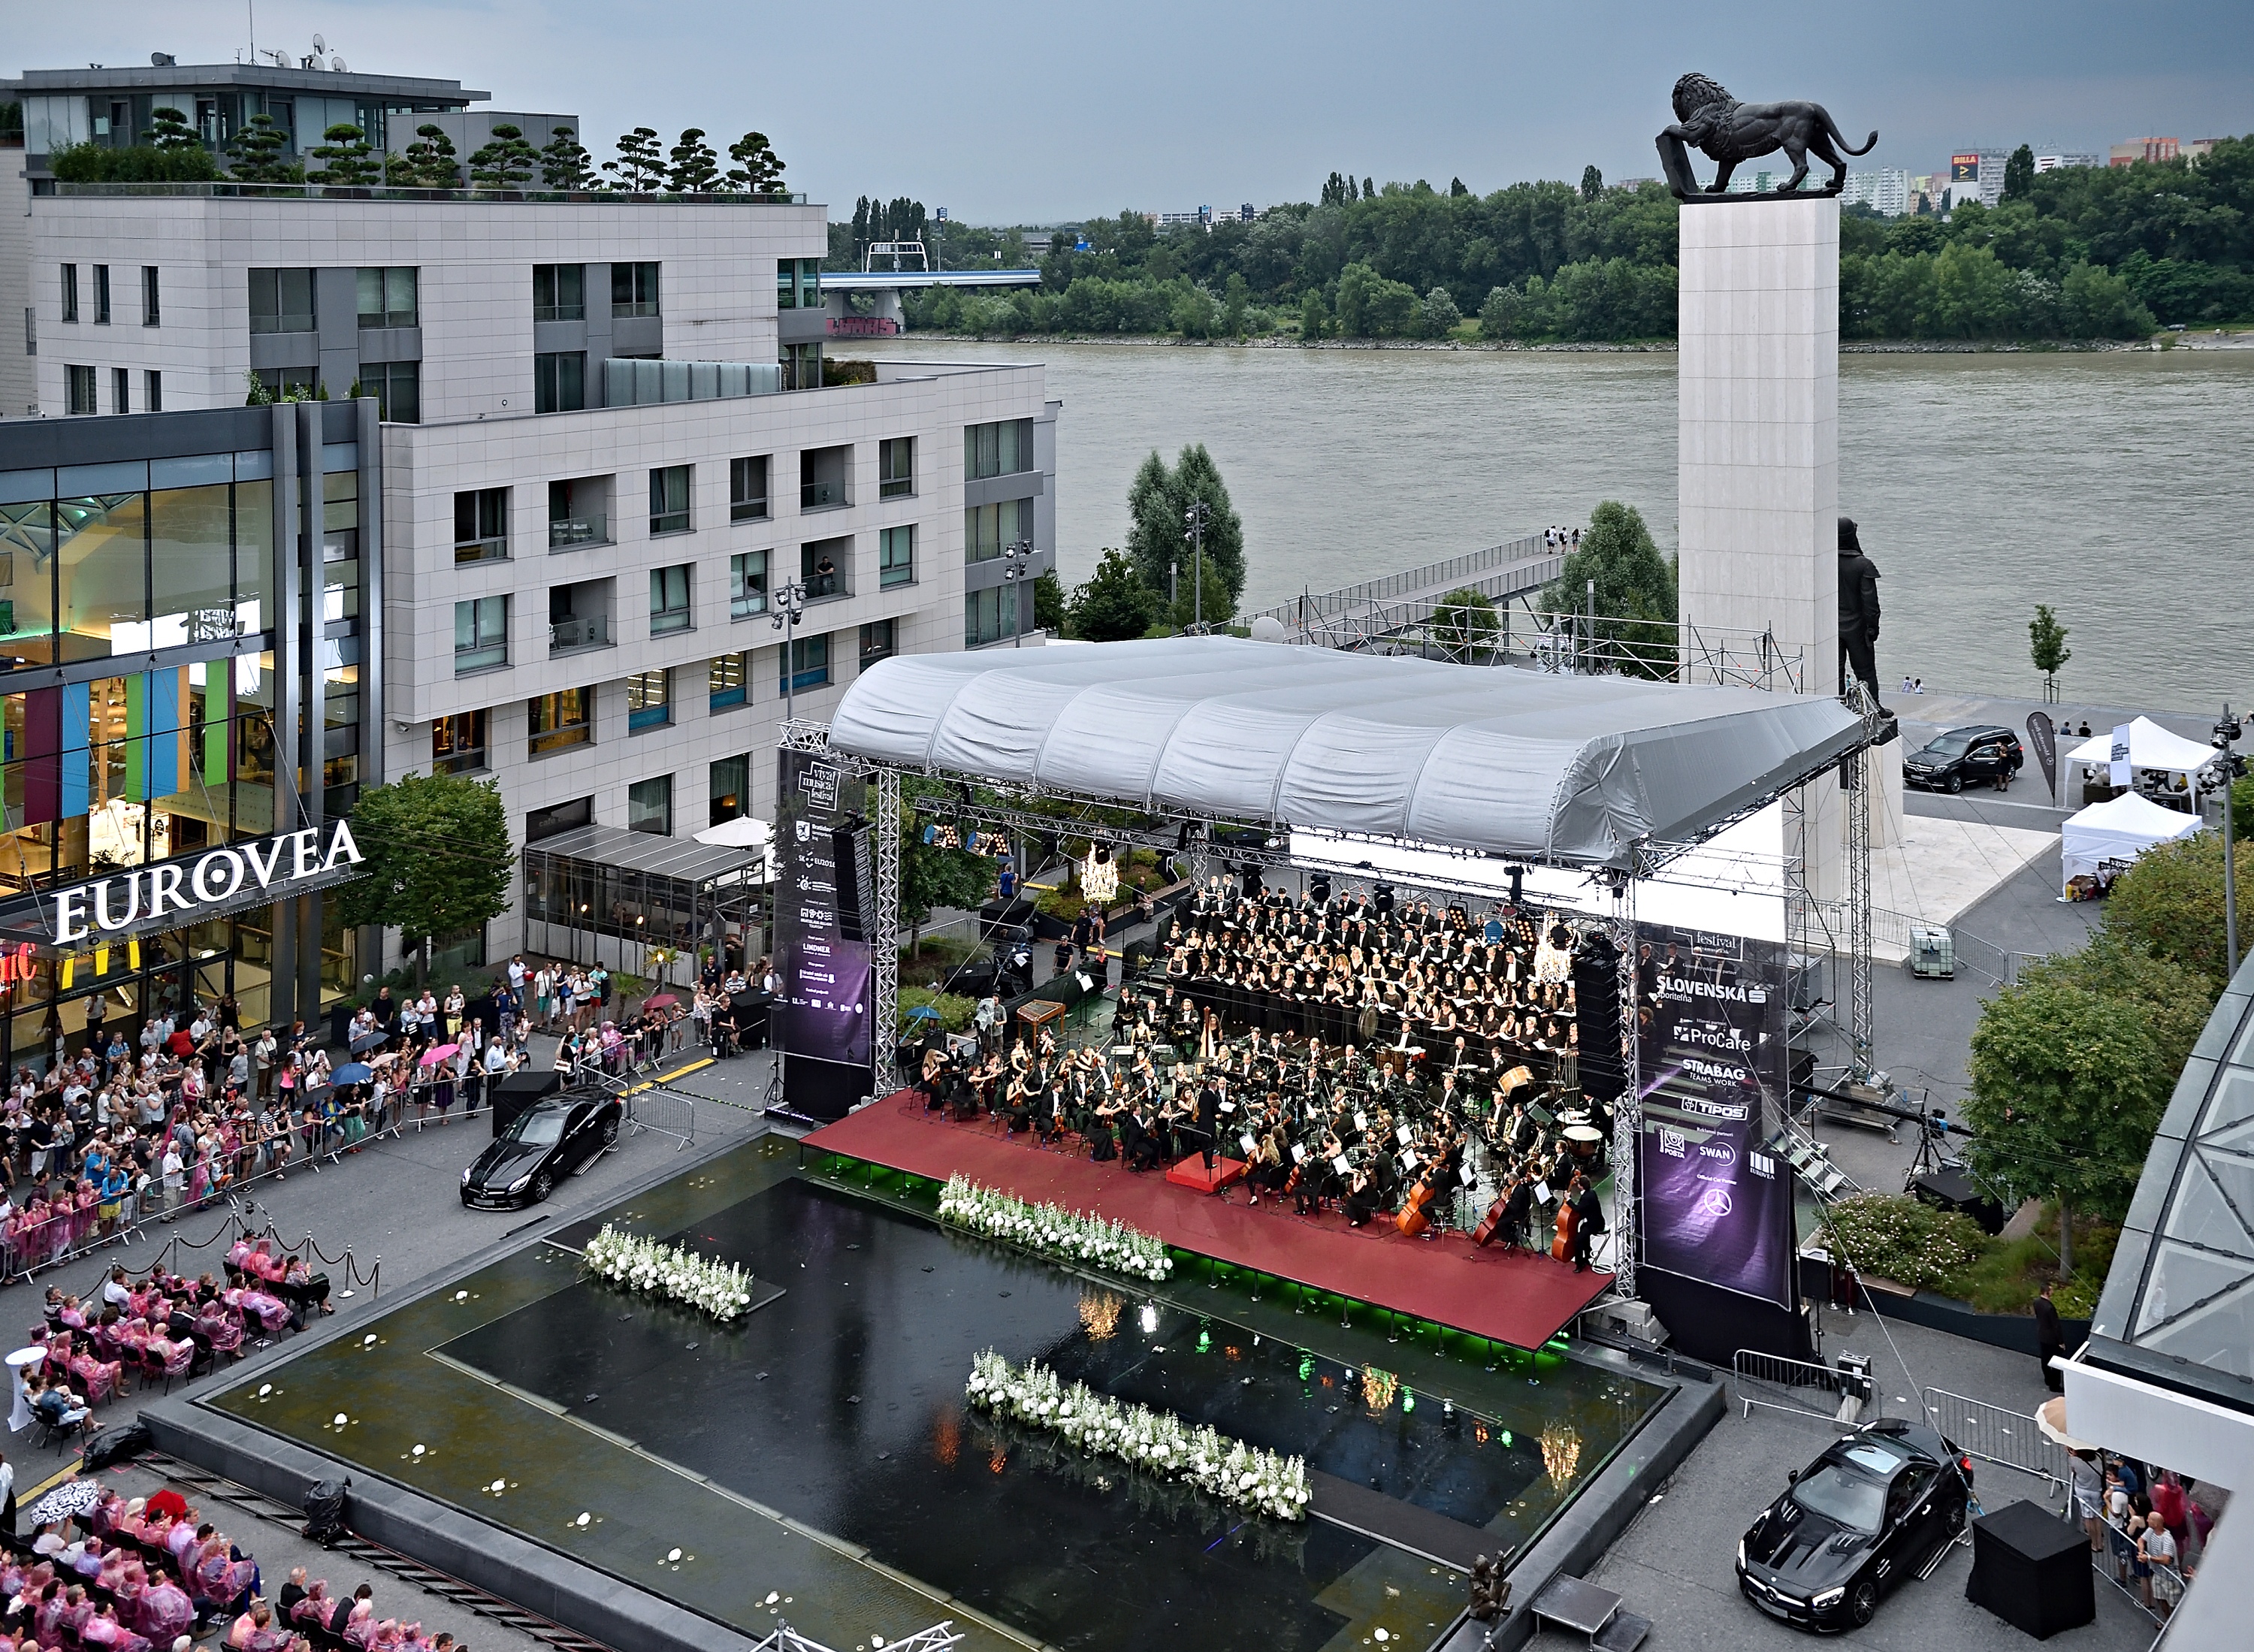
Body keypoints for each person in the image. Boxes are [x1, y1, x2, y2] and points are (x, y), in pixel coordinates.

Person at [1836, 516, 1889, 714]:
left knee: (1836, 672)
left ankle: (1837, 707)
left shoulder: (1825, 560)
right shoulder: (1863, 565)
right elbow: (1870, 603)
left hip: (1831, 628)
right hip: (1857, 628)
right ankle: (1873, 706)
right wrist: (1873, 627)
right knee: (1865, 671)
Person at [2032, 1281, 2065, 1392]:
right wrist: (2060, 1341)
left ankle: (2048, 1378)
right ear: (2047, 1292)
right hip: (2052, 1339)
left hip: (2042, 1335)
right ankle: (2055, 1385)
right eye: (2051, 1290)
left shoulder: (2037, 1302)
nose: (2053, 1292)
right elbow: (2055, 1326)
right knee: (2056, 1360)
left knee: (2045, 1358)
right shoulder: (2050, 1307)